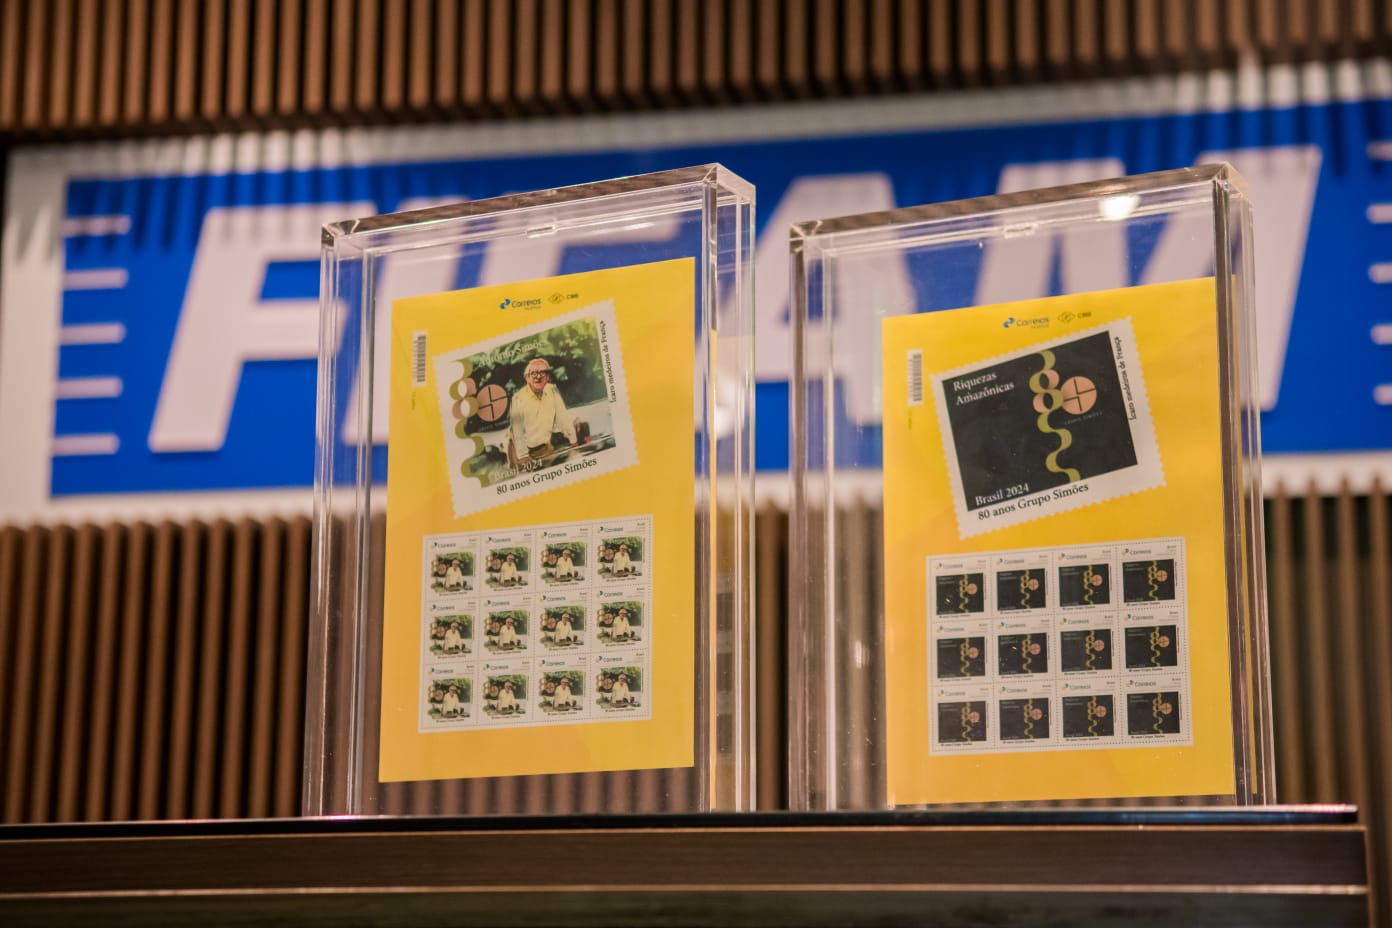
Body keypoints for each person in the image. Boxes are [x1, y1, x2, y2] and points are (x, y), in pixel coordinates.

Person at [510, 358, 577, 466]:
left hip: (548, 445)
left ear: (548, 377)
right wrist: (523, 456)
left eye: (543, 372)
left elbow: (562, 416)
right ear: (527, 378)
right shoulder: (518, 398)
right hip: (527, 451)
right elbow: (517, 431)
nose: (538, 376)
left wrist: (573, 440)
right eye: (534, 373)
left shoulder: (552, 389)